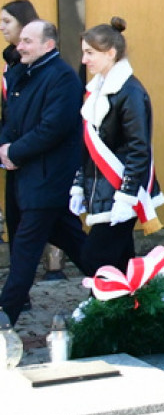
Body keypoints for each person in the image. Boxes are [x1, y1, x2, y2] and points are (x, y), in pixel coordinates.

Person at [0, 20, 86, 325]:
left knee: (24, 251)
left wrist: (15, 151)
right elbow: (9, 117)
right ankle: (123, 286)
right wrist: (5, 148)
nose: (19, 45)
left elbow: (53, 128)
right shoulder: (25, 72)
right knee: (77, 245)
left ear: (47, 45)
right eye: (20, 40)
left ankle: (4, 316)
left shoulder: (62, 77)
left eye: (27, 41)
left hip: (48, 179)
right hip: (27, 177)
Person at [73, 17, 164, 275]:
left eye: (90, 53)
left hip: (120, 192)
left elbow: (138, 148)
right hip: (101, 189)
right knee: (121, 262)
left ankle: (96, 313)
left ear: (110, 53)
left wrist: (126, 194)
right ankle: (130, 312)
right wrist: (79, 183)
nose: (84, 60)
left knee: (95, 259)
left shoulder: (130, 92)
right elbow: (88, 147)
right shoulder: (98, 90)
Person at [1, 0, 39, 265]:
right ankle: (17, 291)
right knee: (16, 222)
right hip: (12, 152)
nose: (2, 28)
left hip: (32, 154)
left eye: (7, 22)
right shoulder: (11, 62)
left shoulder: (34, 65)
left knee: (49, 224)